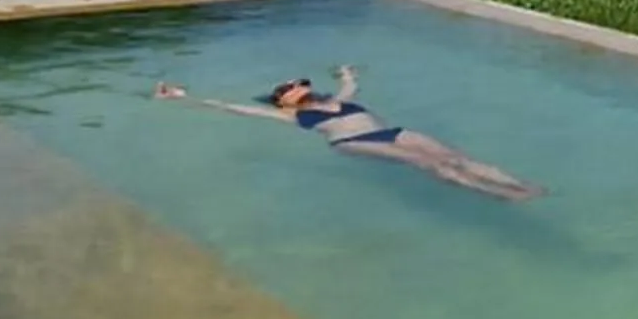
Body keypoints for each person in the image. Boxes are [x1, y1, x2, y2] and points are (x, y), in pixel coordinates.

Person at [152, 62, 542, 200]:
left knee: (455, 157)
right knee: (430, 164)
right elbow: (235, 109)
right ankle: (498, 194)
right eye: (290, 86)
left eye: (298, 82)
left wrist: (346, 73)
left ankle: (522, 186)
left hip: (391, 131)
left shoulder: (336, 99)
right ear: (283, 101)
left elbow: (352, 87)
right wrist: (185, 97)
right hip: (353, 142)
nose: (298, 84)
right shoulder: (292, 117)